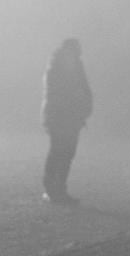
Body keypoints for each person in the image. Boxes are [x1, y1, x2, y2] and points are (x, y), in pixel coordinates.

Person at [41, 38, 91, 206]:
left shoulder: (76, 66)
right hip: (59, 116)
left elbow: (85, 89)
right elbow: (56, 93)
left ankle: (59, 189)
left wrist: (84, 108)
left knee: (67, 153)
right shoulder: (56, 67)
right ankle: (51, 189)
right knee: (58, 151)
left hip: (71, 117)